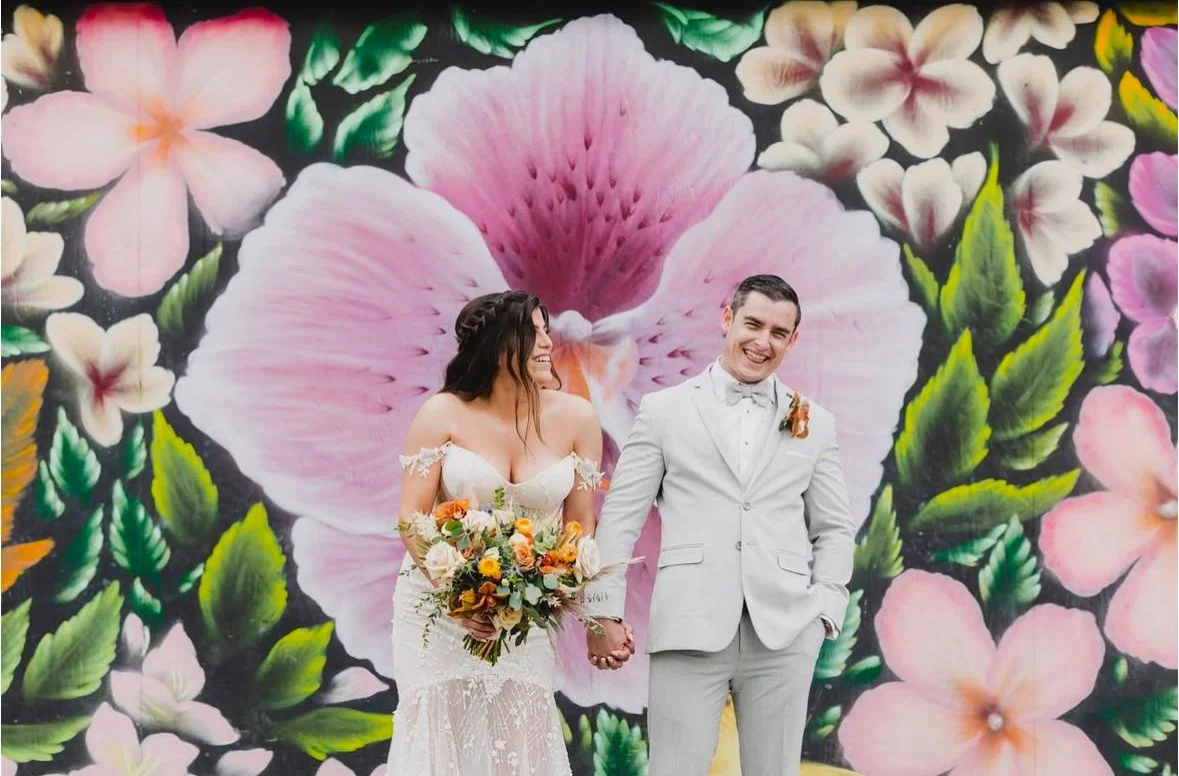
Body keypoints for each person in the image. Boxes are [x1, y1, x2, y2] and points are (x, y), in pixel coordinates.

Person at [586, 274, 858, 776]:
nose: (762, 342)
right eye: (753, 324)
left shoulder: (815, 422)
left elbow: (835, 527)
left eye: (779, 332)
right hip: (689, 625)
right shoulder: (663, 411)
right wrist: (601, 612)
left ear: (793, 341)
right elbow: (621, 517)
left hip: (784, 633)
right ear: (727, 318)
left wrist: (826, 607)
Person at [388, 290, 626, 775]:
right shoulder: (442, 413)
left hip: (526, 614)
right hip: (437, 614)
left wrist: (596, 617)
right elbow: (412, 517)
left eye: (545, 331)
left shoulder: (578, 418)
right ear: (498, 347)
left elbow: (580, 533)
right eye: (533, 332)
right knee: (439, 734)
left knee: (519, 738)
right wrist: (461, 594)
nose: (547, 342)